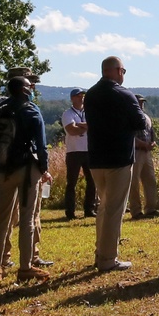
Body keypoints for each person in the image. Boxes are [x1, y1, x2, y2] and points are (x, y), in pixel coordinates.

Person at [84, 56, 149, 271]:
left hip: (95, 158)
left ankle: (99, 252)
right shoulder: (124, 94)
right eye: (123, 70)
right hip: (119, 158)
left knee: (104, 207)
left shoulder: (91, 94)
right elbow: (141, 123)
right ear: (117, 70)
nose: (123, 74)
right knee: (114, 210)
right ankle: (108, 259)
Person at [0, 76, 53, 283]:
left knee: (1, 222)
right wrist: (44, 168)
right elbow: (41, 145)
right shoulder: (31, 109)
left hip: (2, 170)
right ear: (25, 90)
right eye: (30, 87)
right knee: (27, 220)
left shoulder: (2, 110)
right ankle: (25, 267)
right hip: (26, 169)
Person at [62, 88, 96, 219]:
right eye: (78, 96)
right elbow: (71, 130)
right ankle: (70, 212)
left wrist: (80, 125)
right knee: (72, 182)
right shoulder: (67, 114)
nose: (81, 98)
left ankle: (89, 209)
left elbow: (95, 126)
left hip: (89, 150)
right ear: (72, 98)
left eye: (82, 96)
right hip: (74, 151)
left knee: (92, 181)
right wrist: (87, 127)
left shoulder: (89, 112)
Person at [129, 95, 159, 219]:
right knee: (134, 182)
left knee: (150, 180)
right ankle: (136, 211)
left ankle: (151, 209)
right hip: (136, 151)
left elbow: (151, 133)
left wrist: (153, 143)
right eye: (139, 102)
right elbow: (130, 136)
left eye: (142, 102)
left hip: (147, 152)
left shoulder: (146, 117)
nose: (141, 105)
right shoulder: (130, 117)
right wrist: (142, 144)